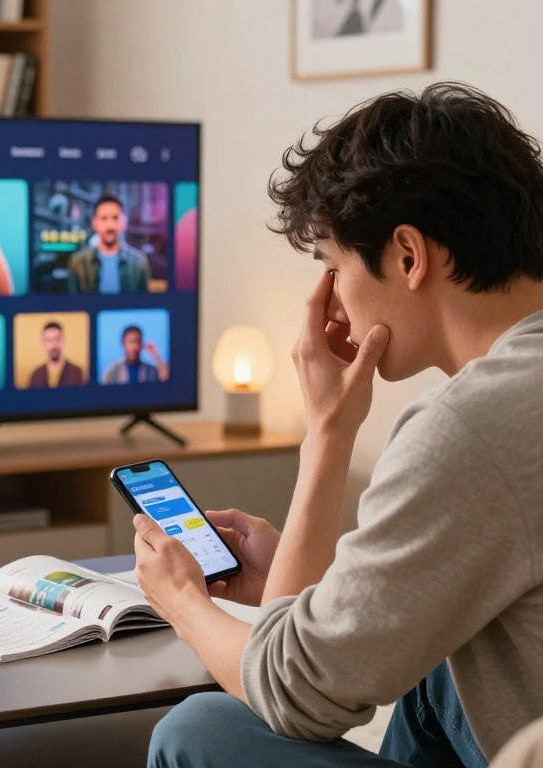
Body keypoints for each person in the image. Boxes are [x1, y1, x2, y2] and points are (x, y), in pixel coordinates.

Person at [135, 83, 543, 767]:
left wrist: (183, 603)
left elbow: (292, 695)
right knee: (438, 656)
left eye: (332, 267)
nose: (330, 300)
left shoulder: (474, 427)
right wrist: (320, 597)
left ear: (408, 256)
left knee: (199, 731)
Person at [67, 193, 151, 294]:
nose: (110, 225)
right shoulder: (78, 262)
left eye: (115, 218)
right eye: (104, 218)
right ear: (95, 223)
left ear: (123, 223)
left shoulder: (139, 262)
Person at [101, 325, 168, 384]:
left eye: (137, 342)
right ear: (123, 344)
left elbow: (167, 380)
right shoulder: (112, 371)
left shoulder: (151, 370)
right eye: (131, 342)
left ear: (142, 345)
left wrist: (156, 355)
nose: (134, 347)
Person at [27, 321, 85, 388]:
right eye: (49, 340)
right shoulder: (36, 375)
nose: (54, 345)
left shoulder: (76, 372)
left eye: (57, 339)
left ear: (63, 340)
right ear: (43, 343)